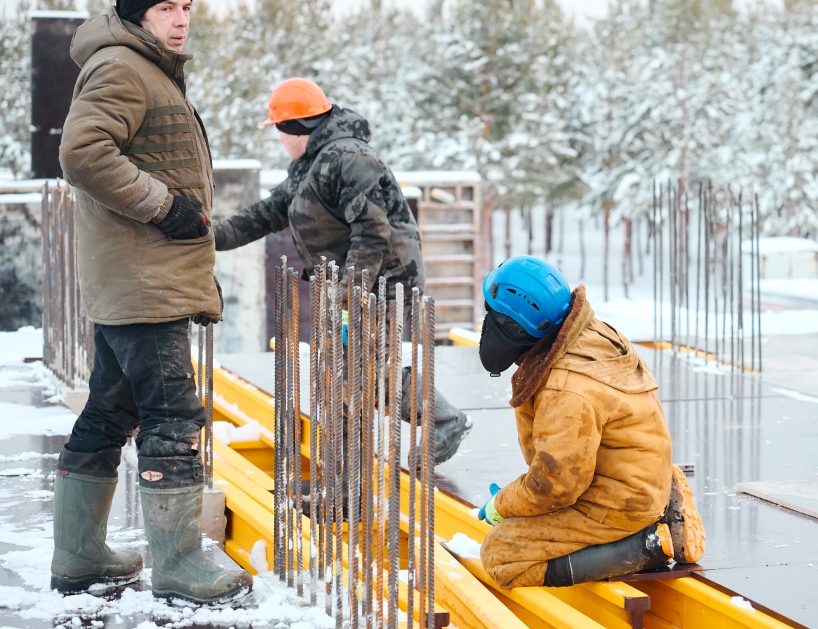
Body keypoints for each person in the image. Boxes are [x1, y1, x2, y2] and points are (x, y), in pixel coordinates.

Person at [54, 0, 252, 603]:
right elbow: (83, 154)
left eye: (187, 6)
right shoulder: (122, 66)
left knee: (110, 412)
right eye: (167, 6)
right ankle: (178, 563)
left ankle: (80, 555)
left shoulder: (146, 67)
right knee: (172, 416)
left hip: (137, 278)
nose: (182, 17)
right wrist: (165, 207)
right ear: (138, 13)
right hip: (144, 281)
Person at [213, 78, 471, 463]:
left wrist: (352, 294)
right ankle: (344, 484)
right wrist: (208, 236)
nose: (280, 140)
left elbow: (372, 230)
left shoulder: (348, 158)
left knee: (361, 380)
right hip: (349, 285)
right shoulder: (311, 165)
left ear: (293, 128)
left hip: (379, 282)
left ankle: (441, 421)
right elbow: (267, 214)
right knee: (343, 380)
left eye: (280, 131)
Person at [475, 256, 705, 589]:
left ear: (513, 326)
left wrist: (502, 505)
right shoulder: (588, 334)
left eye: (491, 314)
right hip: (634, 475)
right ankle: (659, 499)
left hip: (621, 502)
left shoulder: (567, 389)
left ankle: (652, 540)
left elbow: (555, 487)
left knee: (502, 553)